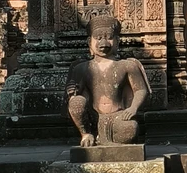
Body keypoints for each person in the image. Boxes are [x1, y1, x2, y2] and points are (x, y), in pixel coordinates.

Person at [65, 10, 151, 147]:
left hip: (119, 116)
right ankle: (86, 134)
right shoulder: (81, 68)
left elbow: (141, 90)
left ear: (117, 41)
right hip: (92, 118)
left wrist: (133, 108)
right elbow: (74, 95)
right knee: (76, 103)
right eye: (98, 38)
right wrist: (72, 92)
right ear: (89, 42)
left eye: (109, 37)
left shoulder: (127, 65)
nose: (104, 42)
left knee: (130, 129)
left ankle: (105, 138)